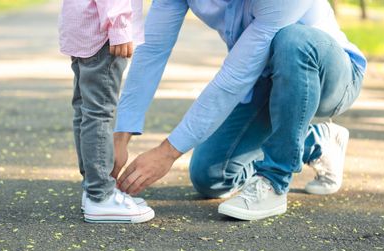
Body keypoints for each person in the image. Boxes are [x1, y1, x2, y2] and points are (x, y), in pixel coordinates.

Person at [112, 0, 366, 221]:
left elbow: (233, 78)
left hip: (330, 78)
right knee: (211, 176)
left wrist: (167, 152)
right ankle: (316, 141)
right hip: (264, 79)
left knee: (294, 40)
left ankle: (275, 180)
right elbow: (153, 51)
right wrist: (120, 137)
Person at [58, 0, 154, 223]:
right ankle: (101, 196)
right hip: (104, 33)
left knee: (85, 110)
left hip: (84, 29)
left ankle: (93, 189)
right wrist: (119, 28)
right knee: (99, 113)